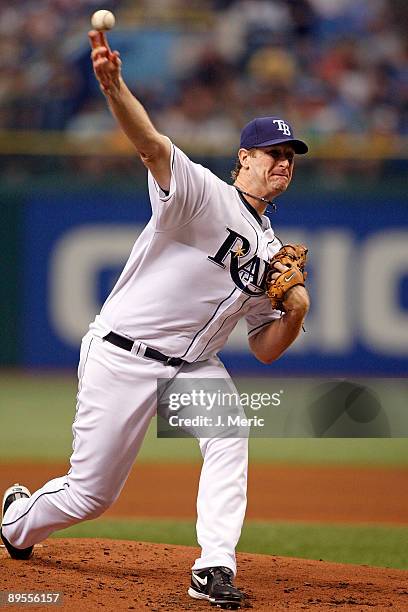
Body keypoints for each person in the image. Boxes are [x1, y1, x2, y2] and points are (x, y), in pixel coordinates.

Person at [1, 31, 310, 610]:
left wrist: (295, 311)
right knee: (91, 495)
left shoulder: (272, 252)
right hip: (124, 353)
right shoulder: (201, 195)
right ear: (244, 158)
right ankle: (18, 521)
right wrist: (115, 88)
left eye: (290, 157)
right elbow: (150, 145)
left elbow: (266, 348)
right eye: (274, 154)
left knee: (230, 435)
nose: (283, 165)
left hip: (192, 367)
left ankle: (213, 566)